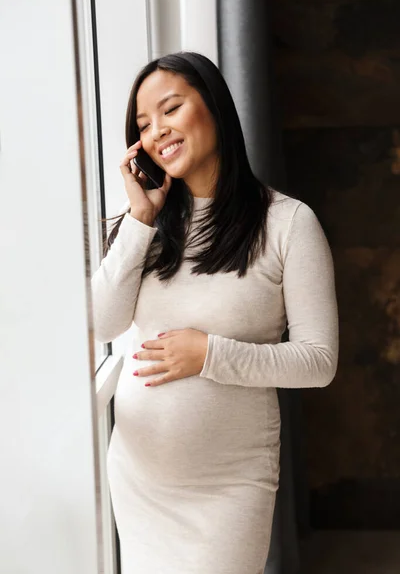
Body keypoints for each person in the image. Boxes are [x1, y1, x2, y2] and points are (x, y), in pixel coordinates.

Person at [91, 51, 338, 574]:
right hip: (140, 480)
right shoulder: (143, 228)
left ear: (215, 108)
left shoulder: (289, 223)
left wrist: (210, 355)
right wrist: (139, 218)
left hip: (230, 485)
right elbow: (100, 324)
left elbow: (319, 362)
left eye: (171, 109)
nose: (157, 130)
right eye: (143, 124)